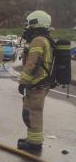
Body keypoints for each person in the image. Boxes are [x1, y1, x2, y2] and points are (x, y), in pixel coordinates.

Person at [17, 10, 54, 154]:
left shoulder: (38, 40)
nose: (27, 27)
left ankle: (35, 143)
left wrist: (23, 82)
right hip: (40, 82)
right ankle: (32, 139)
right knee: (30, 112)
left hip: (37, 83)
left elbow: (31, 64)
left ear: (35, 23)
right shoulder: (45, 38)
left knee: (34, 113)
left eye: (29, 24)